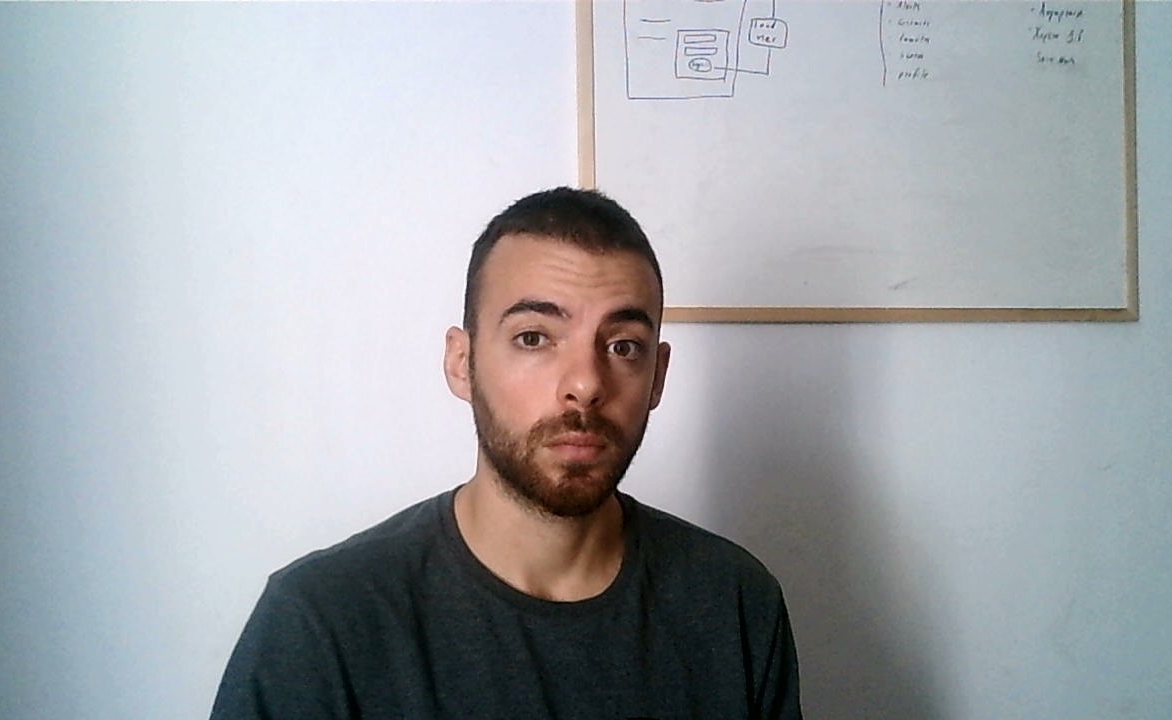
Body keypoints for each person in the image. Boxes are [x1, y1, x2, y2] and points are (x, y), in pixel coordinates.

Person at [209, 187, 802, 719]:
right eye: (534, 338)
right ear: (461, 363)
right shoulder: (320, 624)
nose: (585, 384)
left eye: (623, 346)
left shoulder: (735, 604)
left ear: (657, 377)